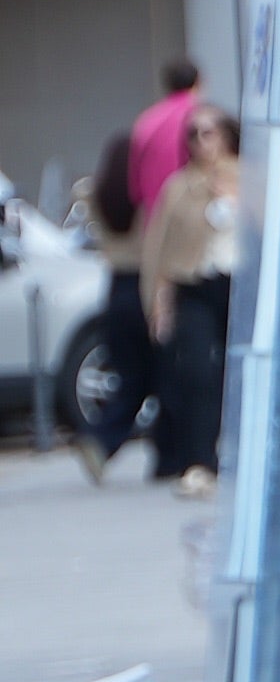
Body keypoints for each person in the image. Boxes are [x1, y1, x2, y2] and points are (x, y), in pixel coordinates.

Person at [141, 102, 241, 494]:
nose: (201, 142)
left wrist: (234, 195)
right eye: (193, 134)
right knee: (198, 370)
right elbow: (160, 249)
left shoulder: (248, 178)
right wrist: (158, 301)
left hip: (239, 282)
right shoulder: (179, 186)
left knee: (244, 370)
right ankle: (200, 461)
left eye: (209, 132)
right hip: (195, 283)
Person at [72, 130, 155, 479]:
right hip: (144, 283)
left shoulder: (98, 195)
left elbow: (82, 190)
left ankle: (101, 440)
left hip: (115, 285)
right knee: (157, 373)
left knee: (129, 373)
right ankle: (105, 439)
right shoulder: (144, 200)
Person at [128, 55, 203, 221]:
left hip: (155, 214)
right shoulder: (202, 118)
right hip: (193, 214)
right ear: (199, 81)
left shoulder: (147, 119)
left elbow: (135, 186)